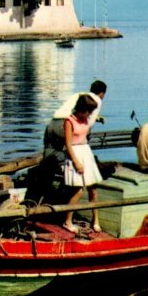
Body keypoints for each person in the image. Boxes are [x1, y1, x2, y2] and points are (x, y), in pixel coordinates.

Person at [29, 81, 107, 203]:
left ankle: (36, 196)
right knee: (70, 154)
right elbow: (88, 124)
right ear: (102, 93)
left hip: (52, 124)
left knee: (49, 158)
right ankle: (65, 190)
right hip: (65, 125)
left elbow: (75, 112)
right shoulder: (96, 100)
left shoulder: (80, 95)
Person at [63, 94, 103, 233]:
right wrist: (76, 162)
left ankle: (95, 219)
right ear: (82, 109)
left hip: (86, 151)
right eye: (88, 111)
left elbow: (85, 135)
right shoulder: (69, 121)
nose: (90, 115)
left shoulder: (86, 120)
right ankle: (67, 221)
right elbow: (68, 144)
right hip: (75, 153)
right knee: (79, 190)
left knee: (93, 189)